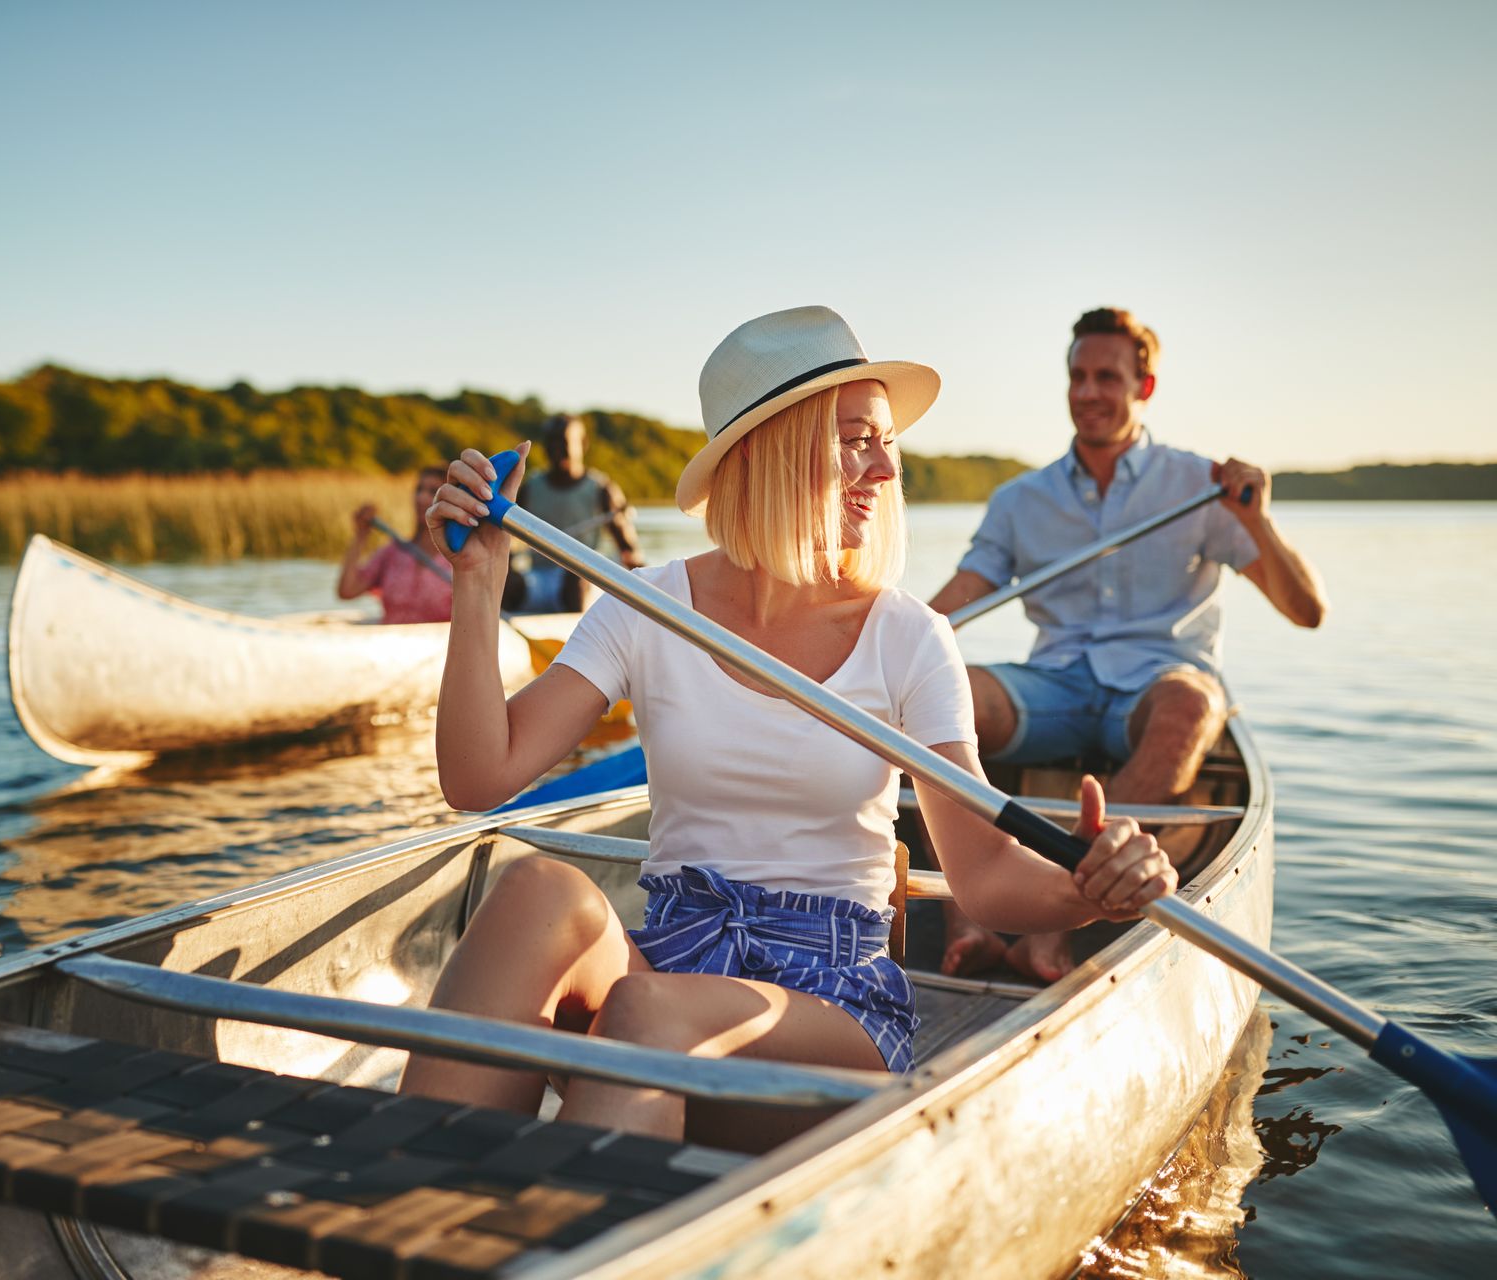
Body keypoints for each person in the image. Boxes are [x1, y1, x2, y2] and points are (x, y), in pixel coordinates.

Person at [398, 305, 1178, 1152]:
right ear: (775, 451)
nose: (887, 469)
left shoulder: (909, 636)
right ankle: (410, 1203)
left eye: (888, 443)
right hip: (669, 964)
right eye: (857, 441)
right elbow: (478, 779)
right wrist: (476, 583)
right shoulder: (647, 606)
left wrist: (1088, 887)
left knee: (649, 1011)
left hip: (831, 1015)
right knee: (535, 892)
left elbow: (984, 878)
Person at [927, 307, 1327, 982]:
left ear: (1143, 388)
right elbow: (958, 599)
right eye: (1078, 377)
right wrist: (880, 651)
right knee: (941, 689)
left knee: (1191, 708)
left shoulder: (1202, 488)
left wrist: (1255, 520)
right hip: (1054, 684)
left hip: (1160, 685)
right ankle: (966, 922)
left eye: (1106, 377)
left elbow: (1306, 611)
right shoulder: (1022, 499)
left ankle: (1050, 923)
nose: (1088, 392)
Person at [513, 413, 645, 611]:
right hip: (538, 578)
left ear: (582, 445)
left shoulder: (601, 489)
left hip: (585, 581)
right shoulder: (530, 488)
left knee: (576, 576)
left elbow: (629, 549)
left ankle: (578, 635)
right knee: (508, 581)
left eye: (563, 442)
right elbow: (506, 542)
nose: (557, 449)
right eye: (552, 442)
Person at [335, 465, 454, 624]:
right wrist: (361, 535)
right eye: (419, 490)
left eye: (433, 492)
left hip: (440, 647)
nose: (421, 498)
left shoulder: (459, 560)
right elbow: (347, 590)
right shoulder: (392, 553)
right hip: (390, 643)